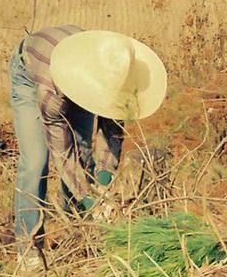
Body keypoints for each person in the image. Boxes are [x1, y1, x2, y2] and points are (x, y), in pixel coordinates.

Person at [9, 27, 168, 252]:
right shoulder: (52, 92)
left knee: (82, 155)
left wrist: (103, 184)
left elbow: (111, 131)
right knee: (36, 164)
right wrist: (89, 199)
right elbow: (62, 151)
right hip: (31, 72)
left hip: (80, 67)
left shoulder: (115, 71)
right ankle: (28, 247)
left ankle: (79, 233)